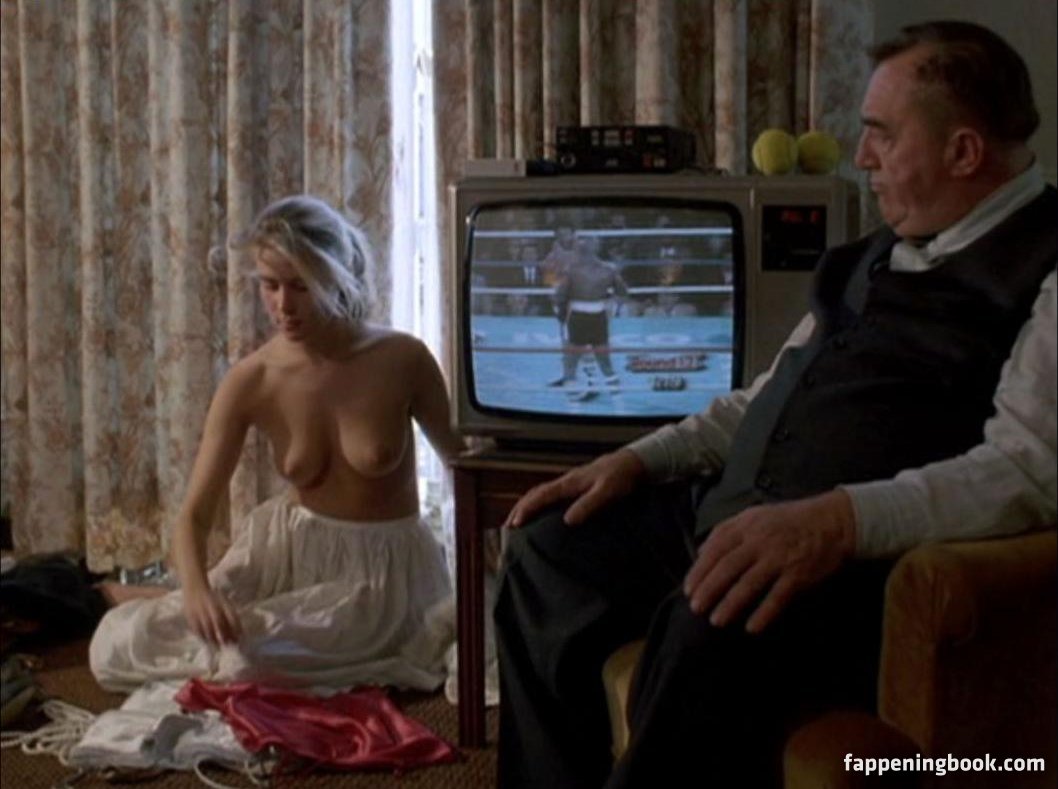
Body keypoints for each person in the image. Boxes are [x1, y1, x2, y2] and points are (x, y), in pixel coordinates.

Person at [495, 21, 1056, 789]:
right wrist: (635, 459)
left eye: (882, 135)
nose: (862, 157)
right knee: (545, 549)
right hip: (732, 514)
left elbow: (1026, 470)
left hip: (849, 566)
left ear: (963, 152)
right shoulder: (873, 252)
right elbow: (765, 398)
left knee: (712, 614)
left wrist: (835, 522)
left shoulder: (1048, 264)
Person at [90, 195, 465, 693]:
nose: (283, 306)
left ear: (336, 276)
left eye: (301, 286)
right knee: (116, 649)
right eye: (270, 285)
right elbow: (194, 516)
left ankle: (148, 597)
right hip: (285, 551)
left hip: (381, 575)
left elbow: (463, 467)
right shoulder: (253, 379)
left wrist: (484, 558)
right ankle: (140, 596)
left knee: (244, 659)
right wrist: (197, 592)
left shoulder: (403, 359)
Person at [548, 233, 629, 392]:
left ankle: (571, 389)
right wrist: (606, 296)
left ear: (578, 250)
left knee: (572, 358)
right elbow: (623, 292)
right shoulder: (608, 269)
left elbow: (559, 296)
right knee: (603, 359)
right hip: (598, 315)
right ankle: (615, 390)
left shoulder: (572, 270)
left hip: (578, 317)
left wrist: (560, 310)